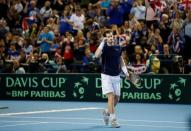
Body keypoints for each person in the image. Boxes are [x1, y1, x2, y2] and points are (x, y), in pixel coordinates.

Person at [94, 30, 129, 128]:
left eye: (112, 36)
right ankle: (113, 120)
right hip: (106, 76)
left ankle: (106, 112)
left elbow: (121, 61)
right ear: (105, 38)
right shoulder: (104, 47)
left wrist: (126, 72)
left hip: (116, 76)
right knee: (111, 96)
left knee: (117, 99)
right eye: (108, 37)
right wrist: (102, 42)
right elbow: (96, 55)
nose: (111, 38)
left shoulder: (118, 47)